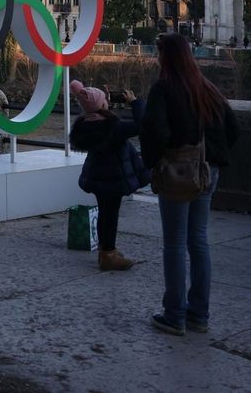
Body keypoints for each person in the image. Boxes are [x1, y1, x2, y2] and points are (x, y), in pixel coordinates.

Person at [142, 33, 241, 337]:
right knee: (198, 240)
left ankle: (175, 315)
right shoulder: (208, 88)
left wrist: (161, 157)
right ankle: (200, 313)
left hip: (179, 172)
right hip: (208, 172)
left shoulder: (164, 88)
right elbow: (233, 130)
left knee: (174, 243)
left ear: (166, 57)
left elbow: (154, 132)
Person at [69, 80, 148, 272]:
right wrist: (135, 102)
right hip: (114, 178)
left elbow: (103, 118)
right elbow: (142, 124)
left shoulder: (87, 125)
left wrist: (105, 105)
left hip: (97, 178)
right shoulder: (114, 128)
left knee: (105, 212)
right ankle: (109, 254)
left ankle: (104, 251)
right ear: (102, 105)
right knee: (111, 215)